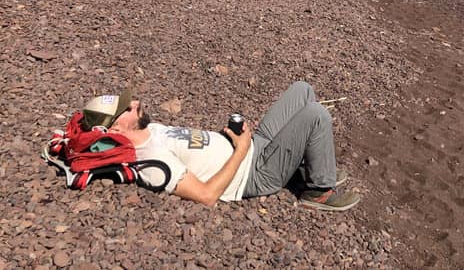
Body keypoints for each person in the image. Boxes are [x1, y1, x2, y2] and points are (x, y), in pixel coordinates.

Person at [80, 81, 359, 211]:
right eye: (128, 109)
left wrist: (237, 139)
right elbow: (207, 195)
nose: (137, 103)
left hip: (252, 147)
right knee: (316, 114)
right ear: (116, 129)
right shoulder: (151, 162)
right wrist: (240, 148)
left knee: (302, 89)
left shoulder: (149, 129)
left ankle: (310, 166)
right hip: (254, 173)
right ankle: (319, 190)